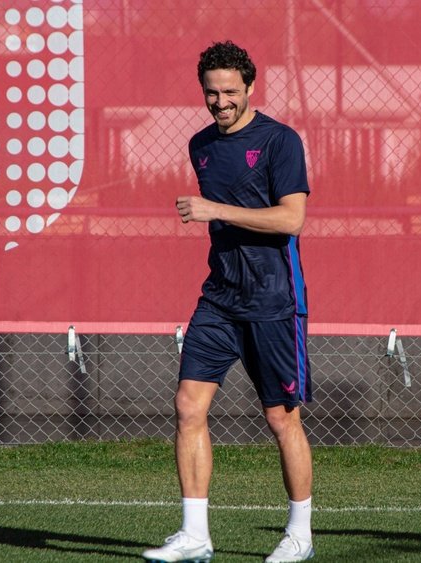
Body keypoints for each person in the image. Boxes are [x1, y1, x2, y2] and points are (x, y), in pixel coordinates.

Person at [143, 41, 314, 563]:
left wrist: (214, 208)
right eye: (211, 93)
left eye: (230, 93)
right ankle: (195, 534)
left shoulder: (280, 141)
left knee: (282, 419)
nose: (221, 102)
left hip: (273, 301)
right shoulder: (201, 145)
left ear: (250, 88)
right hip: (218, 299)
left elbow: (291, 219)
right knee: (187, 407)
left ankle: (300, 535)